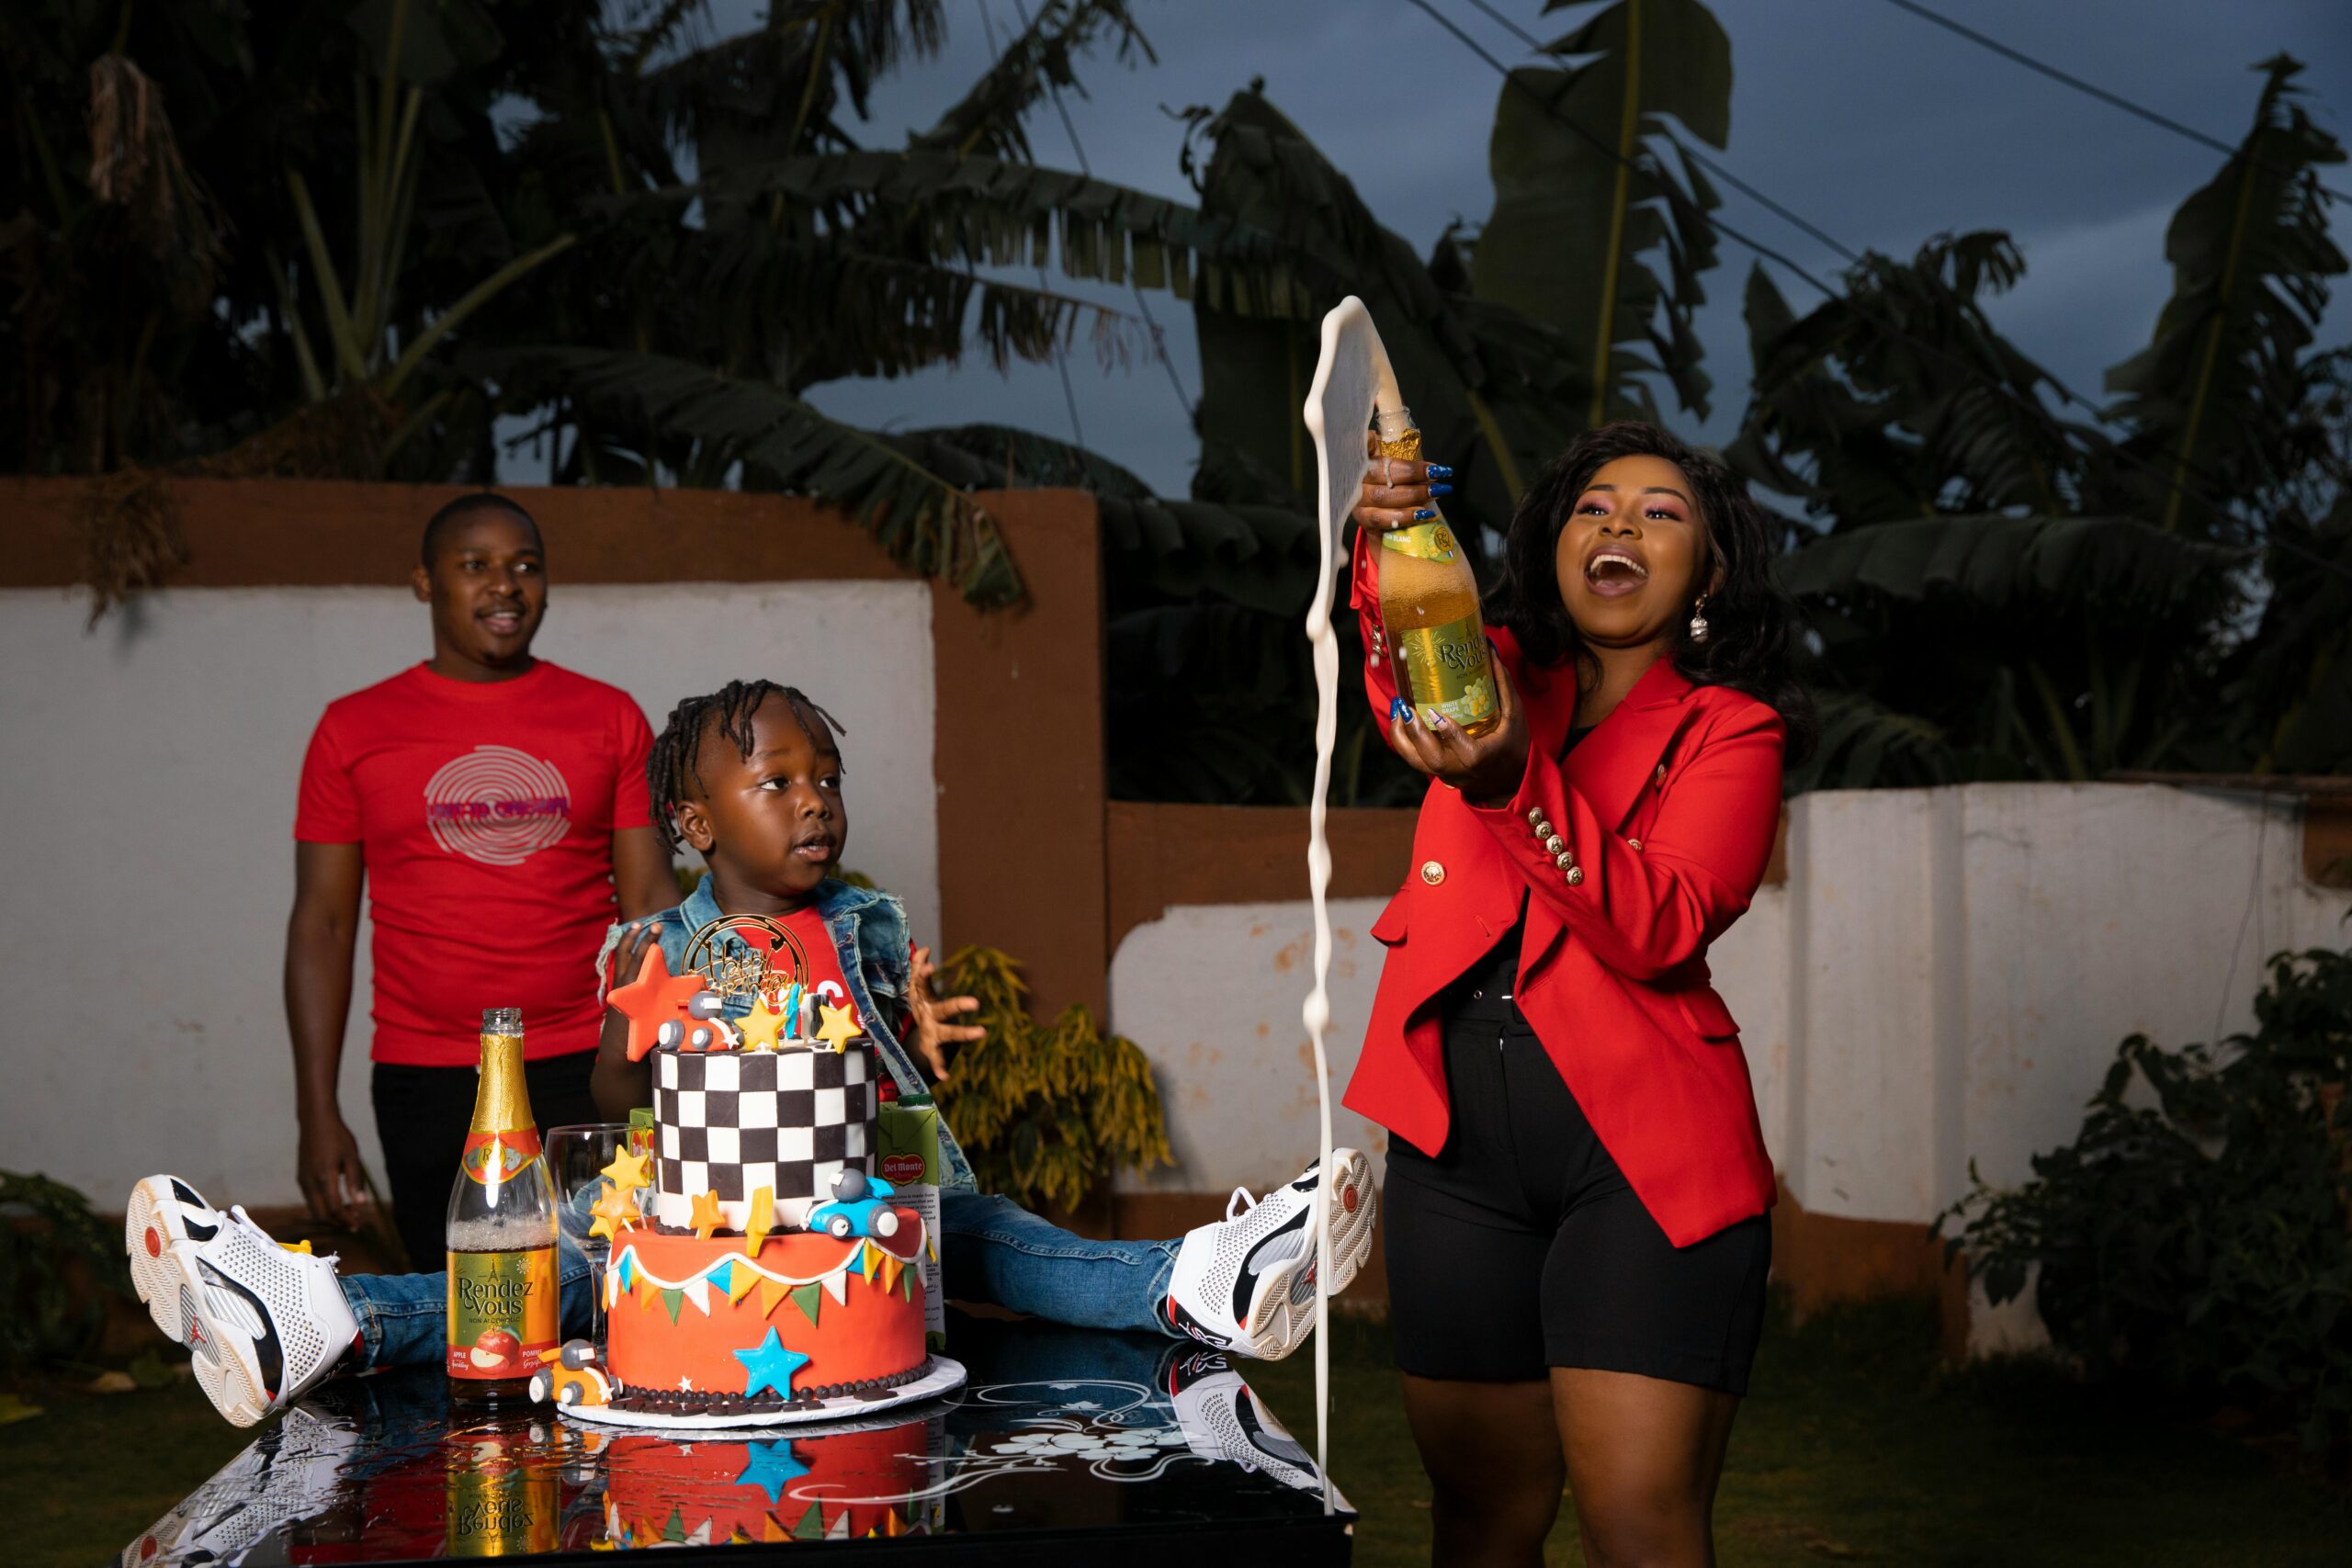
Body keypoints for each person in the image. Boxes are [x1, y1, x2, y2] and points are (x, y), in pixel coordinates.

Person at [130, 678, 1376, 1429]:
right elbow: (615, 1089)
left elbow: (884, 1064)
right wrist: (658, 1025)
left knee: (1004, 1238)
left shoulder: (860, 922)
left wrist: (908, 1040)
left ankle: (1206, 1275)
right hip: (696, 1219)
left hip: (870, 1205)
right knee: (545, 1281)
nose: (815, 800)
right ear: (693, 819)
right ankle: (311, 1314)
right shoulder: (652, 942)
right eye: (776, 779)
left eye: (826, 776)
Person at [1347, 423, 1811, 1567]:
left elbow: (1657, 927)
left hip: (1645, 1164)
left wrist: (1509, 780)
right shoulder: (1487, 672)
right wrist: (1386, 531)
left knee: (1639, 1528)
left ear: (1706, 573)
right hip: (1453, 1157)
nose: (1619, 524)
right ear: (1554, 546)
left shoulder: (1732, 733)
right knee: (1478, 1521)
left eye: (1661, 513)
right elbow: (1400, 636)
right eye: (1595, 505)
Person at [288, 492, 678, 1269]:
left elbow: (649, 904)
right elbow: (323, 924)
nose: (506, 585)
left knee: (603, 1297)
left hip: (587, 1064)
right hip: (427, 1075)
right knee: (465, 1313)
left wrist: (675, 1066)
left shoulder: (608, 717)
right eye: (476, 566)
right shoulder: (353, 729)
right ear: (424, 582)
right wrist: (316, 1110)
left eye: (526, 566)